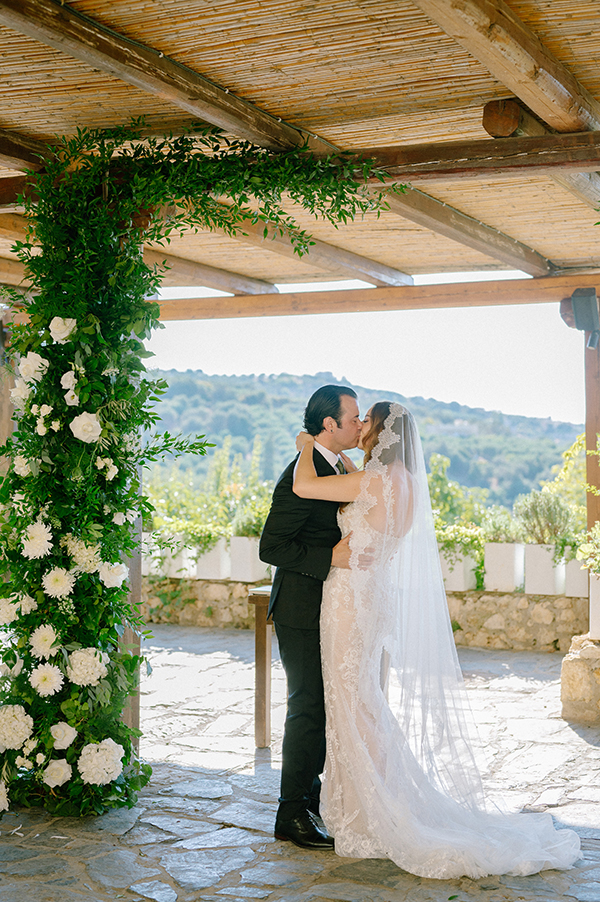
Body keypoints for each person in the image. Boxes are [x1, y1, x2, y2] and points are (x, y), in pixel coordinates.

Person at [292, 400, 581, 879]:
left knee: (351, 700)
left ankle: (377, 809)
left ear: (382, 433)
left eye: (368, 421)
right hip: (373, 595)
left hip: (349, 599)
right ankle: (379, 799)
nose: (360, 425)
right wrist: (344, 460)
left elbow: (306, 485)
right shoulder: (401, 481)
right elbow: (361, 499)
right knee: (363, 699)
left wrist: (306, 447)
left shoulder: (375, 480)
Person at [259, 384, 364, 850]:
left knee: (325, 704)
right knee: (307, 705)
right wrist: (330, 558)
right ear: (329, 425)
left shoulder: (337, 465)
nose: (360, 425)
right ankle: (292, 812)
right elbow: (271, 547)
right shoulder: (298, 475)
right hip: (301, 605)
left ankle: (313, 798)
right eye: (354, 418)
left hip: (332, 605)